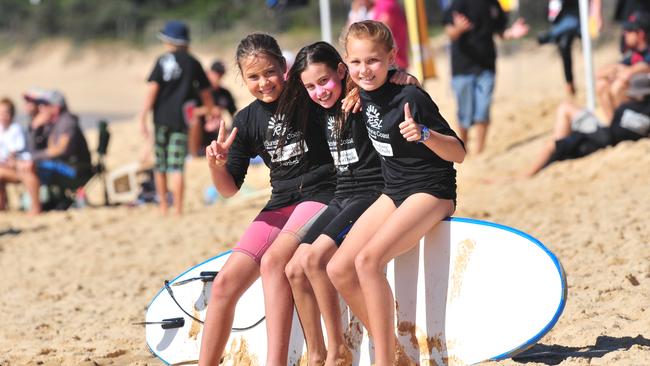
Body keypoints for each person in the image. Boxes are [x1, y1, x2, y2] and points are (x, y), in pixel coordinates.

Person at [326, 20, 465, 365]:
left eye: (373, 60)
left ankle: (385, 360)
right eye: (356, 62)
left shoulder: (411, 95)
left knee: (367, 262)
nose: (364, 69)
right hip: (395, 190)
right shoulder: (358, 92)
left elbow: (459, 153)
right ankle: (398, 353)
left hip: (431, 191)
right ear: (346, 64)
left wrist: (424, 134)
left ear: (391, 57)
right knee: (339, 268)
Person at [199, 33, 336, 366]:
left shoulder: (306, 95)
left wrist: (401, 77)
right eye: (253, 77)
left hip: (321, 191)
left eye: (270, 72)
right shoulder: (245, 121)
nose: (264, 83)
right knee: (224, 285)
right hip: (281, 202)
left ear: (284, 67)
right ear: (243, 79)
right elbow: (229, 188)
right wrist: (215, 166)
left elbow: (343, 82)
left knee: (274, 261)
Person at [139, 20, 217, 215]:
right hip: (182, 121)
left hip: (160, 119)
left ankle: (164, 206)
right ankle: (179, 209)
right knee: (177, 166)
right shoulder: (193, 62)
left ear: (168, 40)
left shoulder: (162, 61)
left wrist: (142, 117)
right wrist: (210, 111)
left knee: (161, 165)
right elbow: (206, 93)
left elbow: (152, 91)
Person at [522, 73, 650, 177]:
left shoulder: (625, 107)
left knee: (555, 141)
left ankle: (528, 174)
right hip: (607, 138)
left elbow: (613, 124)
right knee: (562, 136)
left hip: (604, 138)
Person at [443, 0, 529, 154]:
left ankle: (480, 152)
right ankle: (464, 148)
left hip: (486, 66)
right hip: (462, 68)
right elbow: (449, 33)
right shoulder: (458, 3)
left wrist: (512, 33)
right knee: (465, 113)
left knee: (483, 110)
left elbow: (501, 32)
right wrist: (458, 29)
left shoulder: (493, 4)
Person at [28, 90, 92, 209]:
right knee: (26, 165)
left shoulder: (67, 122)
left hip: (76, 170)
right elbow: (44, 149)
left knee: (29, 166)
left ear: (56, 108)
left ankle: (35, 207)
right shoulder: (55, 123)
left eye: (45, 105)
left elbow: (59, 150)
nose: (41, 108)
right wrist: (34, 129)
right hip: (67, 167)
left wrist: (33, 157)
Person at [537, 0, 602, 96]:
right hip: (562, 16)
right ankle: (569, 83)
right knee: (564, 43)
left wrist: (596, 13)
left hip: (578, 15)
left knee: (567, 36)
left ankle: (553, 35)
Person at [595, 11, 650, 121]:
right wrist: (618, 69)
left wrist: (626, 71)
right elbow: (598, 73)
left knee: (618, 86)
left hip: (644, 103)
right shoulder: (633, 55)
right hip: (634, 98)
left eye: (629, 31)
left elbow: (641, 68)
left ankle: (623, 126)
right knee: (601, 84)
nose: (625, 34)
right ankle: (613, 127)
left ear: (640, 34)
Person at [0, 97, 41, 214]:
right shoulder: (1, 129)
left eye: (5, 113)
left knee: (27, 174)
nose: (2, 116)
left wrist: (10, 161)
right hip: (6, 164)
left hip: (20, 163)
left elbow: (15, 152)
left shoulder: (15, 129)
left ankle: (36, 207)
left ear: (12, 115)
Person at [190, 60, 238, 156]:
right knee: (194, 122)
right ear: (209, 73)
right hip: (199, 132)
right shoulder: (197, 91)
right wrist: (209, 110)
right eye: (216, 74)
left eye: (221, 75)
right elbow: (189, 112)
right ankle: (193, 154)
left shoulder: (225, 93)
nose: (218, 78)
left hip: (216, 130)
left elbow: (234, 114)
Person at [372, 0, 409, 70]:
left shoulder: (385, 3)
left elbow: (380, 32)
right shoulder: (384, 3)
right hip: (393, 59)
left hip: (392, 61)